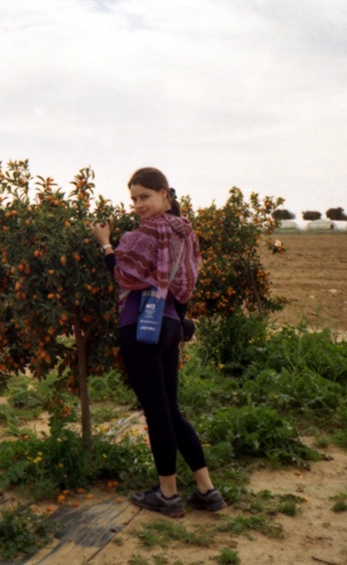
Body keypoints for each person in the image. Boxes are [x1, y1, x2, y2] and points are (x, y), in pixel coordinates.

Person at [90, 167, 225, 518]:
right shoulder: (184, 232)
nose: (138, 205)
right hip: (170, 327)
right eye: (134, 198)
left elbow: (122, 274)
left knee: (157, 413)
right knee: (171, 411)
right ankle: (206, 490)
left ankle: (167, 495)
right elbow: (186, 280)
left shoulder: (144, 234)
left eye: (144, 197)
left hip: (141, 327)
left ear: (164, 194)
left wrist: (105, 243)